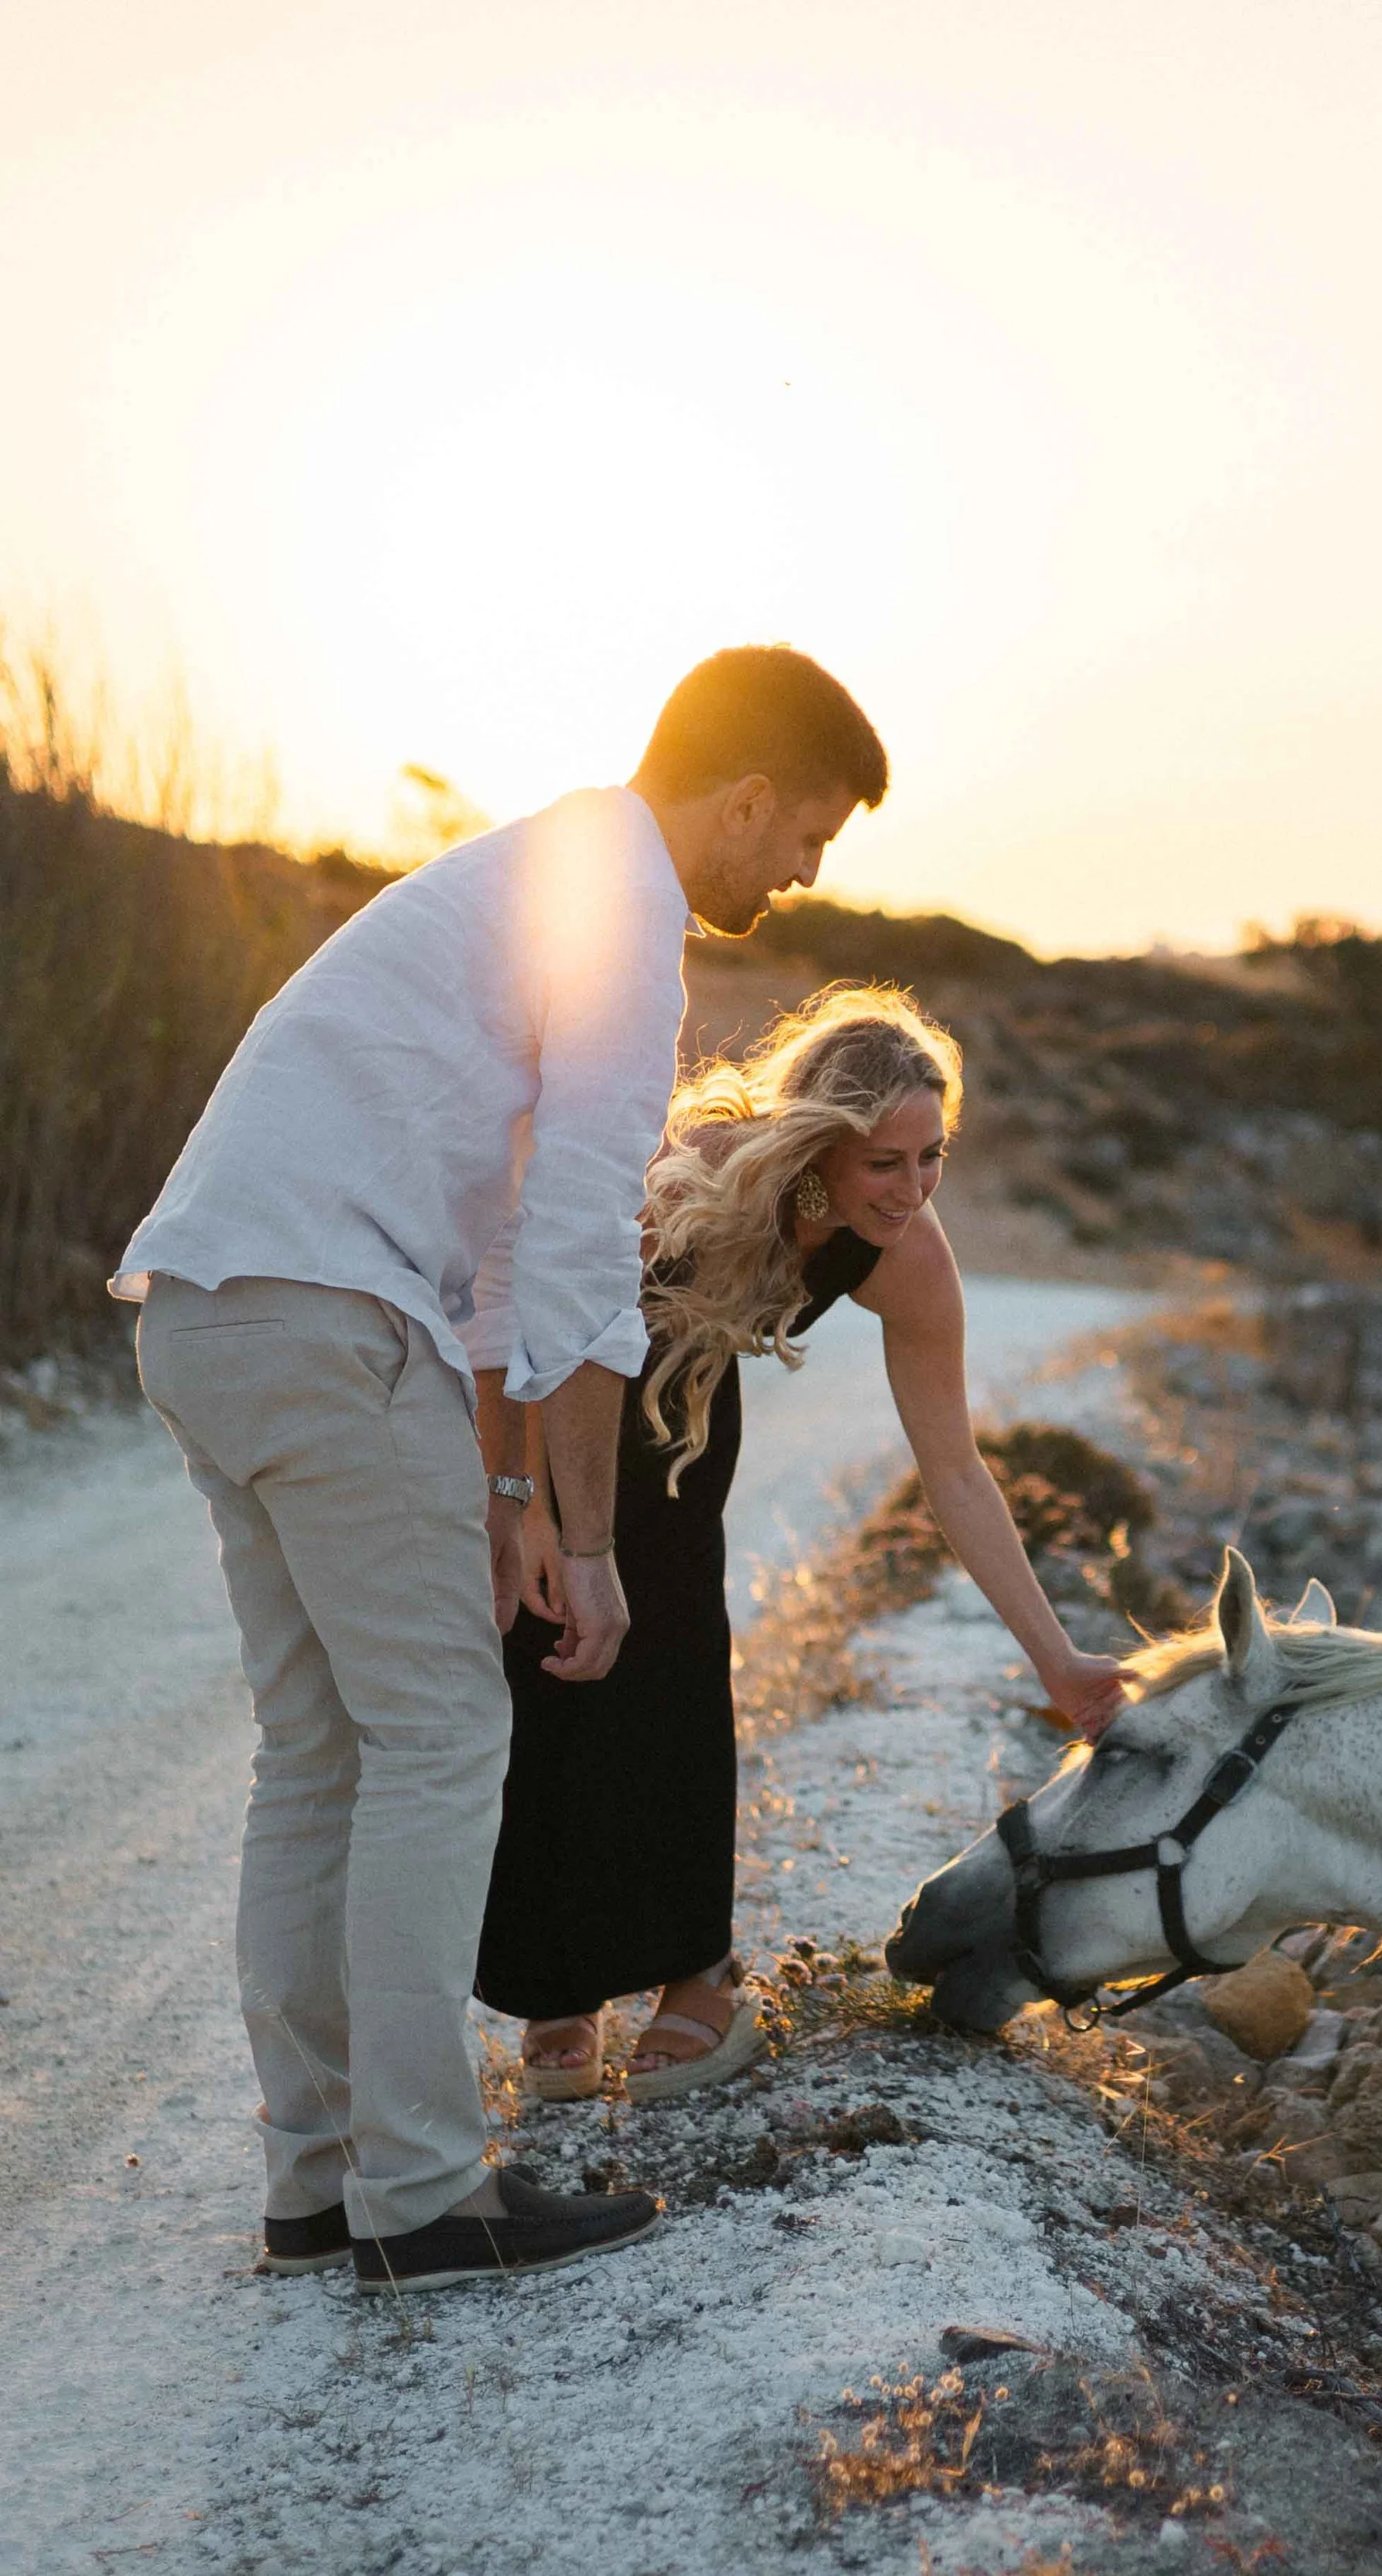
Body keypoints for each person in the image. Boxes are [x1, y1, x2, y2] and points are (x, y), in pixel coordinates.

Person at [112, 645, 887, 2288]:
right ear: (745, 797)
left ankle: (319, 2181)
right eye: (807, 831)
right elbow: (573, 1263)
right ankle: (421, 2192)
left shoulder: (523, 877)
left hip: (206, 1309)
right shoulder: (615, 915)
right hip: (328, 1319)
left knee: (318, 1748)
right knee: (442, 1734)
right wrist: (591, 1548)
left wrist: (516, 1499)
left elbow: (490, 1261)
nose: (805, 868)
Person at [473, 985, 1129, 2098]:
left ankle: (694, 1977)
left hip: (678, 1430)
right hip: (545, 1407)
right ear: (819, 1148)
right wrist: (525, 1506)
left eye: (935, 1156)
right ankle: (558, 1991)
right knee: (542, 1680)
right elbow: (524, 1310)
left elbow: (956, 1471)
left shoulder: (906, 1254)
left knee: (676, 1669)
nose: (916, 1189)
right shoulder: (685, 1173)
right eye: (888, 1162)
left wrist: (1056, 1659)